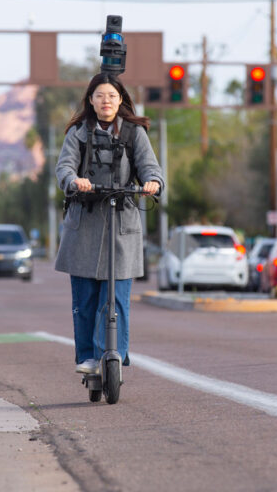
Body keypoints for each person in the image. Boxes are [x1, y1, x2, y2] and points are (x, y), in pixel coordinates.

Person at [55, 72, 164, 374]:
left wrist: (153, 182)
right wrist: (74, 180)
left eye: (112, 96)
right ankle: (88, 357)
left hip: (122, 225)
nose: (106, 101)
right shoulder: (77, 132)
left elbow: (150, 167)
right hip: (84, 224)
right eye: (100, 95)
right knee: (86, 301)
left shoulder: (134, 133)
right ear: (90, 100)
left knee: (116, 300)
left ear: (120, 100)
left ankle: (112, 353)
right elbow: (64, 166)